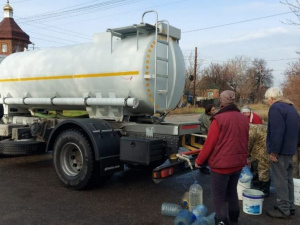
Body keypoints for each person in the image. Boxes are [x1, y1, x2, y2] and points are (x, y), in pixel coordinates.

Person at [195, 90, 249, 225]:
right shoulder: (243, 118)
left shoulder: (218, 119)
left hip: (221, 166)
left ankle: (221, 221)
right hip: (237, 164)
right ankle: (234, 220)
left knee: (219, 197)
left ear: (221, 101)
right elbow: (245, 140)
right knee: (232, 193)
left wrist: (199, 161)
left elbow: (209, 144)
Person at [264, 87, 299, 218]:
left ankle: (283, 209)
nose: (267, 101)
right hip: (290, 149)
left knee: (280, 181)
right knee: (288, 179)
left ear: (271, 98)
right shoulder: (291, 108)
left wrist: (274, 152)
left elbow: (277, 131)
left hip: (280, 150)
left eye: (267, 99)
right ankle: (290, 206)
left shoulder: (275, 108)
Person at [248, 124, 270, 197]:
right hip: (263, 148)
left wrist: (246, 155)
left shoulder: (251, 129)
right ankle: (259, 185)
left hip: (263, 150)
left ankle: (264, 190)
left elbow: (249, 143)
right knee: (259, 167)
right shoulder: (256, 127)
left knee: (263, 169)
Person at [198, 104, 216, 174]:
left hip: (208, 134)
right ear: (208, 111)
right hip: (204, 135)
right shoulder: (205, 118)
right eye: (213, 110)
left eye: (215, 109)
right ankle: (203, 168)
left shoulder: (211, 115)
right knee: (206, 152)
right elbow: (211, 128)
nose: (215, 111)